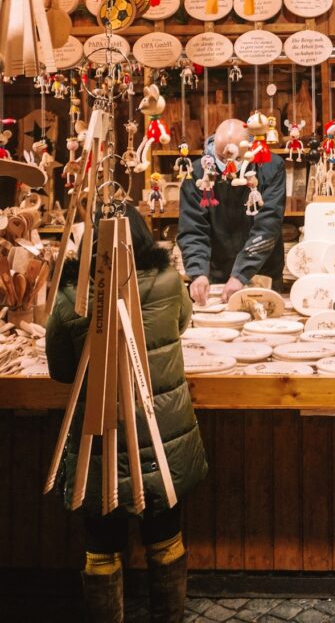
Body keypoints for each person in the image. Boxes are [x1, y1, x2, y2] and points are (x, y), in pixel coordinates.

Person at [46, 205, 207, 623]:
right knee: (165, 536)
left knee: (101, 545)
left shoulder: (71, 294)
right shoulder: (170, 282)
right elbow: (182, 323)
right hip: (162, 435)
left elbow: (61, 370)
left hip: (97, 442)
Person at [178, 118, 286, 304]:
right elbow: (192, 228)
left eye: (237, 158)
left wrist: (241, 275)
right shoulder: (197, 174)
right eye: (221, 157)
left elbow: (268, 225)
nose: (229, 164)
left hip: (262, 270)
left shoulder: (271, 166)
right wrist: (197, 272)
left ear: (249, 146)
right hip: (216, 273)